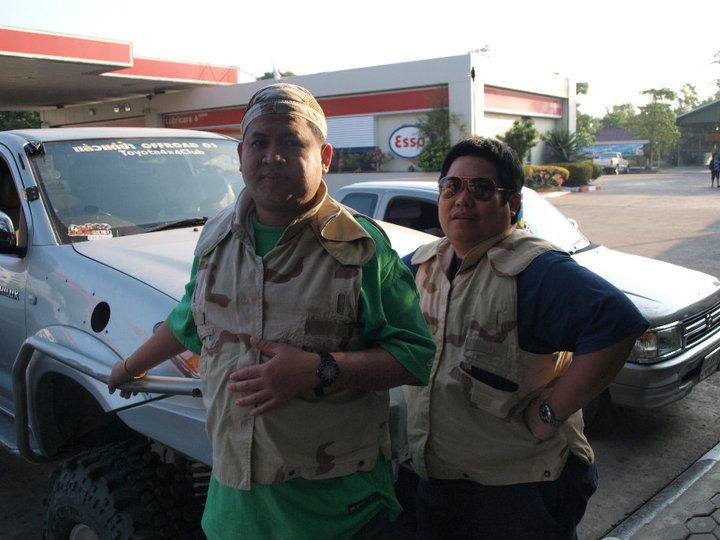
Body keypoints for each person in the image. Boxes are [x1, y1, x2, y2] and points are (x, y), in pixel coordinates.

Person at [108, 83, 435, 540]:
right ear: (241, 154)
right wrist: (128, 367)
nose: (272, 156)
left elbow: (415, 357)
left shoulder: (360, 248)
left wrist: (319, 370)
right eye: (259, 142)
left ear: (324, 157)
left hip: (337, 513)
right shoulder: (216, 240)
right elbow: (189, 320)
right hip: (234, 509)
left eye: (291, 143)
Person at [402, 136, 649, 540]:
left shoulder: (535, 269)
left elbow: (617, 324)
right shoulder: (421, 264)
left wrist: (551, 413)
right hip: (440, 480)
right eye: (452, 187)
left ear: (513, 204)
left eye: (481, 188)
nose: (462, 199)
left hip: (518, 490)